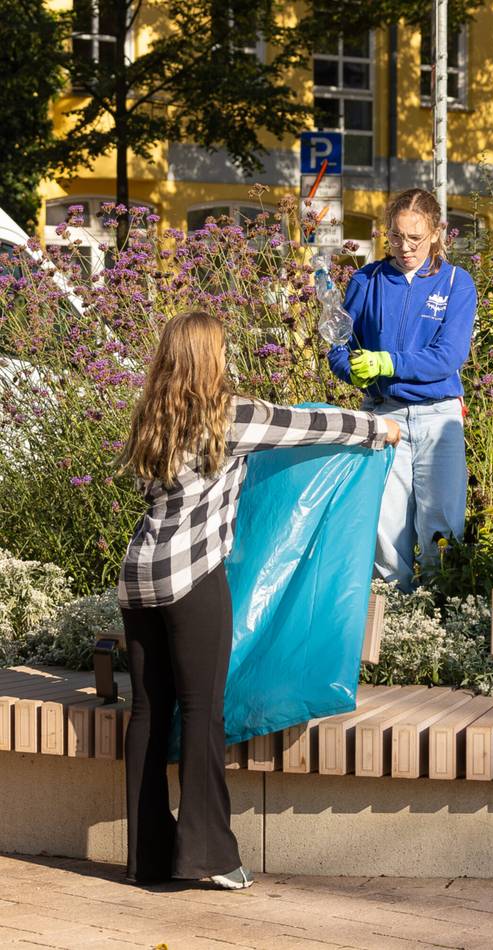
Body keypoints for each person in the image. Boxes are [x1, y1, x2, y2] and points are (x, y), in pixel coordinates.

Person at [117, 310, 399, 888]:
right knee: (201, 713)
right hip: (192, 578)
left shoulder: (151, 416)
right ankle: (210, 857)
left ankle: (147, 858)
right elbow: (307, 424)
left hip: (139, 577)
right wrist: (379, 431)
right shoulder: (228, 415)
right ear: (209, 359)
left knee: (147, 711)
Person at [328, 189, 477, 590]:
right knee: (384, 527)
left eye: (415, 238)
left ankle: (443, 614)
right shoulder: (367, 279)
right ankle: (393, 624)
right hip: (383, 413)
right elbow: (339, 346)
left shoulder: (456, 284)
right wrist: (353, 370)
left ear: (436, 232)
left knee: (442, 525)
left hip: (439, 415)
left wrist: (389, 362)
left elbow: (448, 357)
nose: (405, 247)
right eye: (396, 237)